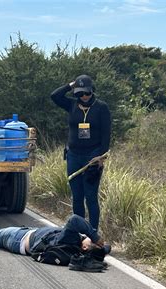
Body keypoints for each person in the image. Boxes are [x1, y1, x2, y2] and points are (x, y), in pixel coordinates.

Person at [51, 75, 112, 231]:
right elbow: (54, 96)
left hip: (93, 157)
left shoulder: (101, 107)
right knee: (77, 197)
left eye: (87, 93)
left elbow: (106, 134)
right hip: (73, 155)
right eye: (79, 93)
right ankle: (79, 233)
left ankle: (93, 234)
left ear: (92, 90)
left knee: (90, 197)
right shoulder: (71, 105)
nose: (84, 96)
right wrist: (71, 85)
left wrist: (101, 157)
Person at [0, 214, 110, 272]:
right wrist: (103, 248)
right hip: (28, 235)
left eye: (91, 241)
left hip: (18, 238)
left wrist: (95, 236)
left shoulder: (71, 240)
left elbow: (74, 220)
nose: (88, 237)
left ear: (85, 247)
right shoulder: (76, 250)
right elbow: (105, 248)